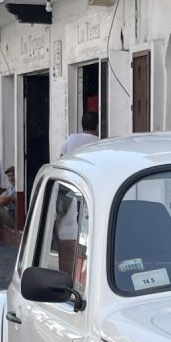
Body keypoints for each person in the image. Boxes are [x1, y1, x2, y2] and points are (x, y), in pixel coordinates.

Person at [55, 111, 101, 272]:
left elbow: (60, 161)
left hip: (69, 190)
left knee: (66, 234)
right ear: (97, 126)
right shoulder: (98, 143)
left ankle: (65, 274)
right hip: (88, 192)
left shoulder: (71, 139)